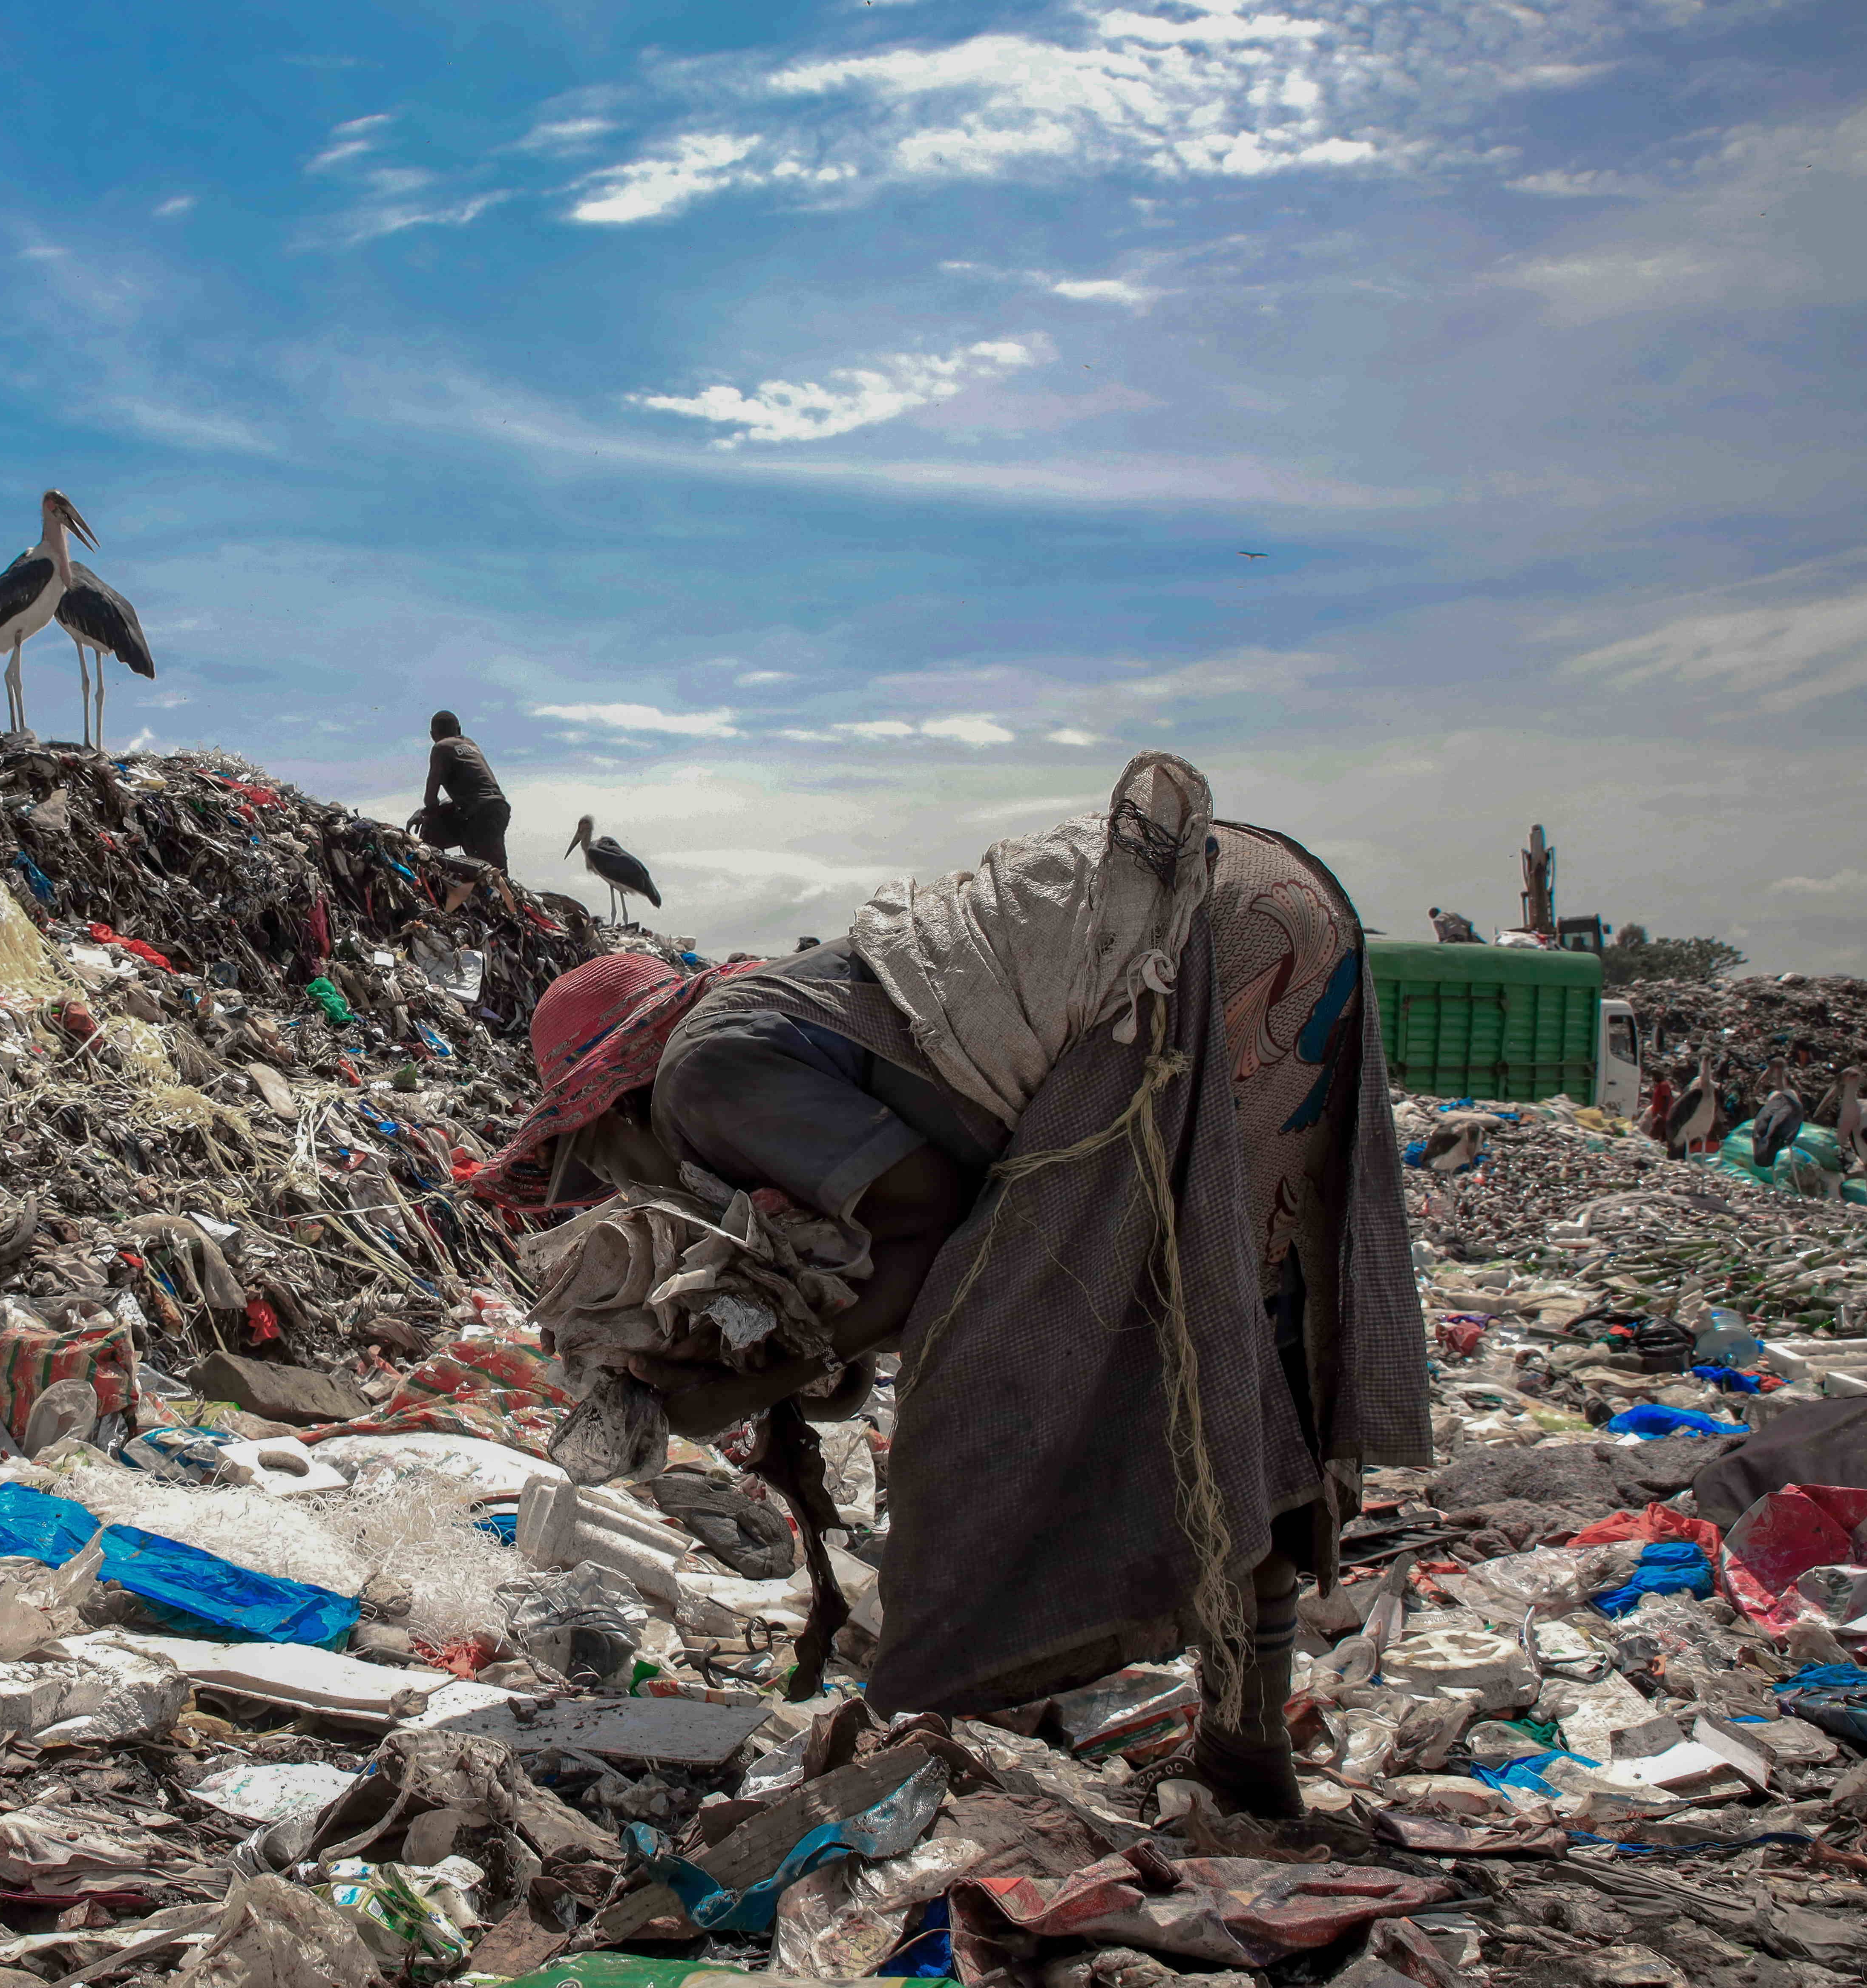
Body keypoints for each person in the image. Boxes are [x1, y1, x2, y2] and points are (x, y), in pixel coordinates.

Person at [482, 755, 1427, 1820]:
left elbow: (930, 1228)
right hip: (1260, 897)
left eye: (596, 1158)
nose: (615, 1184)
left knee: (1015, 1391)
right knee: (1222, 1347)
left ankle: (1043, 1707)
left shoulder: (707, 1075)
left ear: (618, 1104)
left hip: (1187, 938)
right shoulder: (776, 1024)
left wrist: (741, 1384)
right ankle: (1246, 1745)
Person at [417, 711, 510, 871]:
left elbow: (431, 799)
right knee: (488, 870)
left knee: (493, 875)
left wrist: (425, 813)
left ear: (432, 735)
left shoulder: (440, 748)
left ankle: (436, 876)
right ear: (459, 730)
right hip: (497, 809)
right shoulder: (470, 744)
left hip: (480, 815)